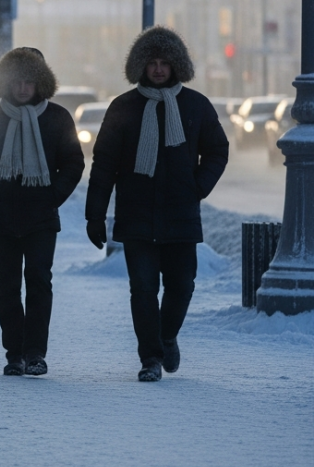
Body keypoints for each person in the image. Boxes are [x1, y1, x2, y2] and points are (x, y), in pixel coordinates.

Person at [86, 27, 228, 382]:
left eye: (165, 62)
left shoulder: (195, 105)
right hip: (136, 215)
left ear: (177, 64)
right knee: (143, 289)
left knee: (182, 285)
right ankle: (150, 358)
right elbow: (103, 165)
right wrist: (95, 216)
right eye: (153, 63)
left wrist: (198, 186)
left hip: (181, 214)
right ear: (141, 66)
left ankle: (166, 336)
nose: (159, 69)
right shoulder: (123, 107)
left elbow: (217, 150)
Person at [0, 48, 84, 377]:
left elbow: (73, 163)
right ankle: (14, 353)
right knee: (7, 288)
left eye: (29, 81)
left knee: (39, 283)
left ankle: (35, 353)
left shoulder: (57, 118)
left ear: (41, 82)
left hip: (41, 217)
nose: (22, 88)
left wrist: (52, 197)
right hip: (1, 217)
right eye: (16, 81)